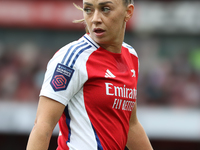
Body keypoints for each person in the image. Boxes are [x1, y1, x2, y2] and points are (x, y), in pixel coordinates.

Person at [26, 0, 153, 149]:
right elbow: (42, 126)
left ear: (128, 12)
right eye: (88, 9)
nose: (95, 19)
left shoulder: (131, 56)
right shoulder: (72, 58)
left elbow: (131, 125)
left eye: (105, 9)